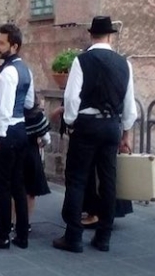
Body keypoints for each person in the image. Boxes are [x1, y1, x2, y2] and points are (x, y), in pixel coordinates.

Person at [53, 15, 136, 254]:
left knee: (77, 178)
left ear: (91, 35)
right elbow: (129, 104)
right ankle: (104, 237)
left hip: (87, 125)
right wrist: (126, 134)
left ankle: (73, 236)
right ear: (110, 35)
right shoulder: (124, 64)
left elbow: (71, 98)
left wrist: (70, 121)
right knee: (108, 181)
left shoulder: (82, 60)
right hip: (112, 126)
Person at [0, 23, 35, 250]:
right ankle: (22, 234)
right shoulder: (26, 70)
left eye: (2, 43)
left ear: (14, 45)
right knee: (18, 184)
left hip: (7, 131)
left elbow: (5, 109)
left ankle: (2, 235)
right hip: (21, 130)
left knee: (3, 187)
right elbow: (29, 102)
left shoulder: (8, 73)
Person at [11, 104, 51, 234]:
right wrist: (42, 143)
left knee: (14, 188)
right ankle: (25, 222)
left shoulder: (12, 111)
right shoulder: (37, 115)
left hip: (15, 151)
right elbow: (46, 138)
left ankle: (11, 221)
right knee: (30, 191)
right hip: (31, 154)